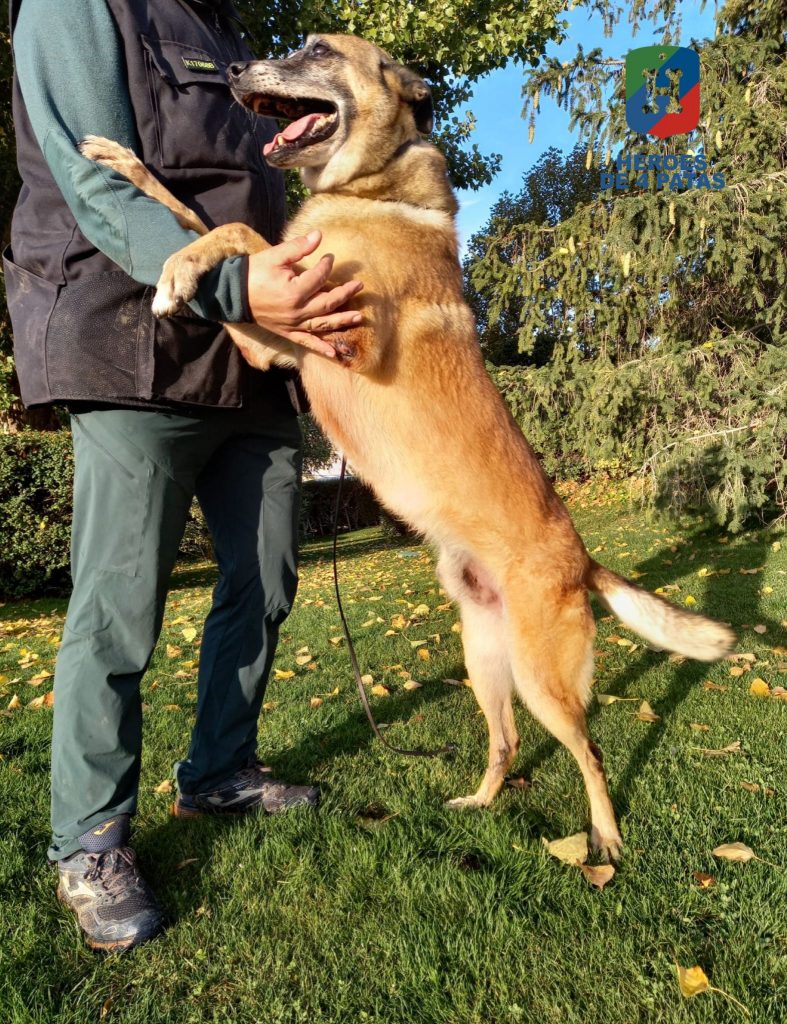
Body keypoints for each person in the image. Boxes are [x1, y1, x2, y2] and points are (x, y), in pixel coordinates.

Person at [6, 0, 362, 952]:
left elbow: (261, 175)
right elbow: (92, 176)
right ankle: (90, 840)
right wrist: (239, 285)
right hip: (134, 334)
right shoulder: (78, 6)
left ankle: (219, 770)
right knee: (120, 603)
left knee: (266, 574)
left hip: (252, 345)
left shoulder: (226, 27)